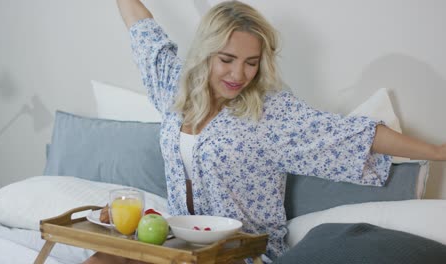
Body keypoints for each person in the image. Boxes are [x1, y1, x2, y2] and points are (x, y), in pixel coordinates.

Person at [85, 0, 446, 263]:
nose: (238, 75)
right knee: (104, 258)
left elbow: (349, 135)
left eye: (251, 63)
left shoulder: (271, 114)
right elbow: (144, 33)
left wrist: (437, 152)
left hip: (238, 253)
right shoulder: (174, 89)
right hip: (177, 246)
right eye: (227, 59)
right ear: (205, 54)